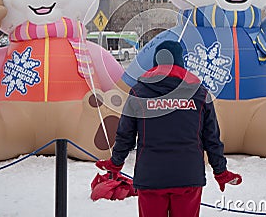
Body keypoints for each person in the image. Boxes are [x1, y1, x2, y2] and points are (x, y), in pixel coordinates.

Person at [96, 40, 241, 217]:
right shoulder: (200, 94)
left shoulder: (139, 92)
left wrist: (116, 162)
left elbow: (125, 135)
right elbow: (211, 139)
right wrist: (220, 171)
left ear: (157, 62)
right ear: (181, 62)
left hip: (151, 177)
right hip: (188, 177)